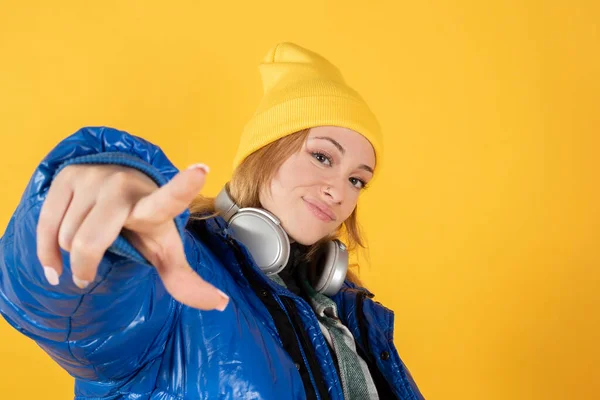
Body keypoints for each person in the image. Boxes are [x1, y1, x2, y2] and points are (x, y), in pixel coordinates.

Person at [0, 42, 424, 399]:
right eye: (321, 156)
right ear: (264, 153)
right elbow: (67, 307)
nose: (339, 191)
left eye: (356, 180)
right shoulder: (177, 273)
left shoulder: (344, 307)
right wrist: (105, 221)